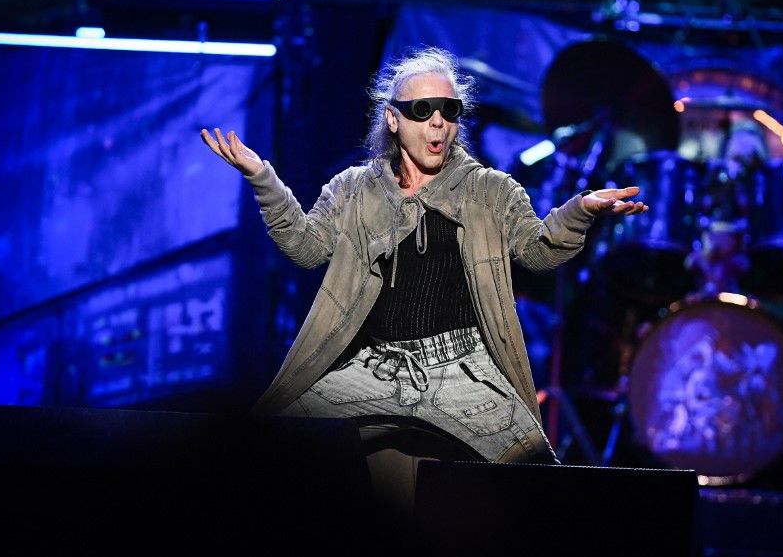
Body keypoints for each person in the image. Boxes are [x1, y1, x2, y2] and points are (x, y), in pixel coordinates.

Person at [200, 46, 647, 470]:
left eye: (448, 111)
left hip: (464, 373)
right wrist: (263, 179)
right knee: (262, 448)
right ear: (393, 120)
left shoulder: (489, 190)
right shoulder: (354, 190)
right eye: (422, 111)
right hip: (373, 368)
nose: (437, 123)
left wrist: (580, 210)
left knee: (533, 482)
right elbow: (306, 247)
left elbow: (539, 251)